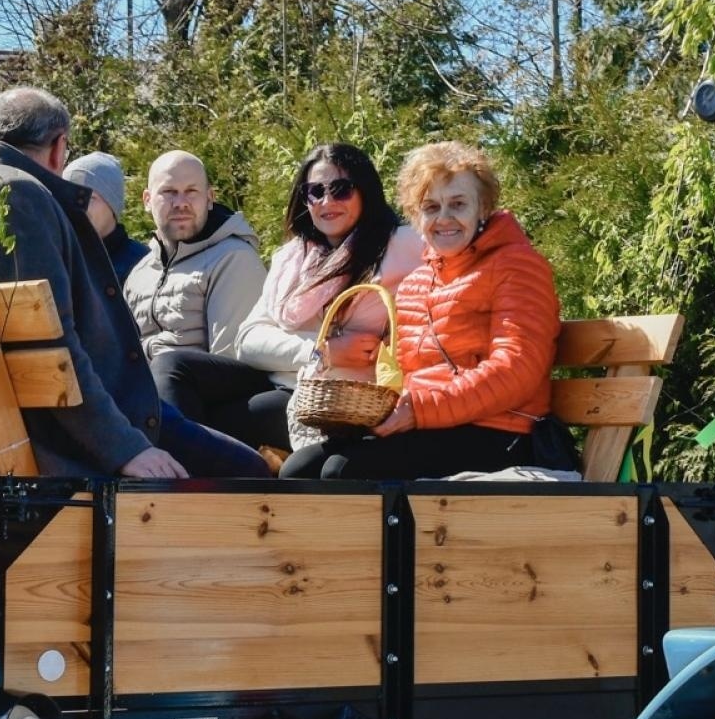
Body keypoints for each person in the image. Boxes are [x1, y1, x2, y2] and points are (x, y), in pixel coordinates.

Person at [0, 86, 268, 478]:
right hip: (61, 435)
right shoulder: (16, 195)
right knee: (250, 473)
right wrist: (125, 449)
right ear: (58, 148)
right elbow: (50, 347)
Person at [280, 141, 560, 479]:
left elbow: (517, 369)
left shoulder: (516, 265)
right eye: (430, 207)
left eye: (458, 204)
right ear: (416, 216)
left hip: (501, 430)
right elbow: (404, 373)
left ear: (482, 208)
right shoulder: (417, 282)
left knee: (342, 472)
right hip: (429, 425)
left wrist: (420, 410)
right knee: (299, 469)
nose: (444, 219)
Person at [151, 143, 423, 451]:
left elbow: (454, 257)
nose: (327, 201)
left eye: (341, 189)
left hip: (342, 397)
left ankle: (183, 486)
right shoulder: (293, 258)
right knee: (172, 367)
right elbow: (249, 340)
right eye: (315, 191)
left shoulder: (402, 245)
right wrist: (321, 350)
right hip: (281, 379)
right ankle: (174, 486)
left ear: (366, 192)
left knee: (212, 425)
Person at [123, 150, 266, 359]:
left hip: (198, 388)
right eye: (169, 192)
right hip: (138, 389)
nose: (181, 203)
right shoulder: (139, 273)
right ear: (147, 200)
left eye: (191, 191)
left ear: (209, 198)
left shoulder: (233, 259)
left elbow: (231, 366)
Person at [64, 152, 146, 282]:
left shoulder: (144, 265)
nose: (78, 207)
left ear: (112, 204)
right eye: (69, 197)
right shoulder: (57, 260)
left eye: (90, 198)